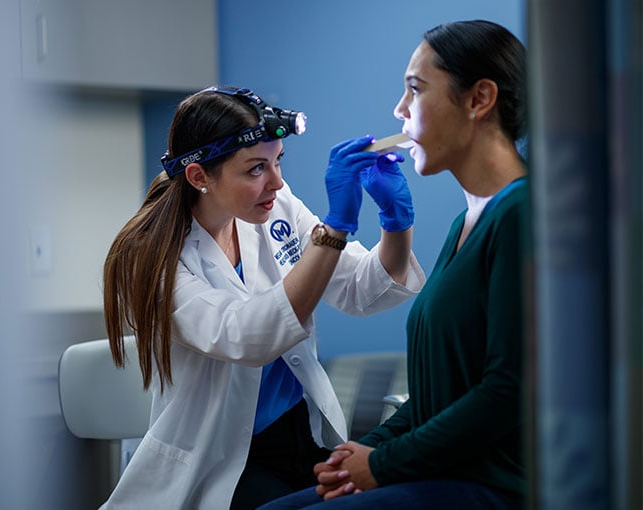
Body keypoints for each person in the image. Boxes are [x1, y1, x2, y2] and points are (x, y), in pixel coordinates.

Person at [100, 85, 425, 509]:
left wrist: (395, 222)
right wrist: (335, 229)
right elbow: (246, 336)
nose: (277, 182)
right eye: (256, 169)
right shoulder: (150, 258)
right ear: (199, 176)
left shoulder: (275, 207)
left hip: (301, 433)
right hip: (222, 459)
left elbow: (360, 290)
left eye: (277, 162)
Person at [258, 19, 529, 510]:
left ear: (478, 99)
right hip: (443, 472)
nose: (399, 111)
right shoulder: (466, 224)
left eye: (414, 90)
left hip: (496, 486)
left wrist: (381, 463)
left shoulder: (521, 213)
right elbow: (435, 397)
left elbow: (508, 389)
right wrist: (363, 450)